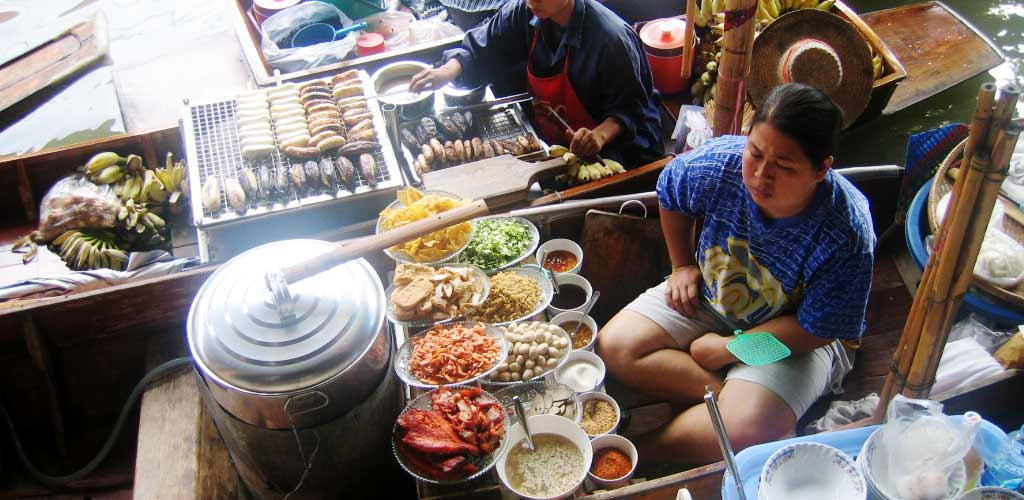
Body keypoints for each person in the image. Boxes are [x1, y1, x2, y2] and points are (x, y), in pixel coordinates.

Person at [598, 83, 875, 464]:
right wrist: (681, 265)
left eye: (784, 166)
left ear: (822, 169)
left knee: (744, 427)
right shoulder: (719, 164)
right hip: (716, 295)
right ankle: (735, 395)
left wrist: (733, 348)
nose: (761, 175)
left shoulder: (846, 232)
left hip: (795, 337)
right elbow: (672, 192)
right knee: (613, 347)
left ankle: (641, 455)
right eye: (755, 153)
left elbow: (818, 330)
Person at [408, 0, 663, 168]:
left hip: (619, 149)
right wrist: (445, 72)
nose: (532, 1)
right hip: (559, 136)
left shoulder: (610, 39)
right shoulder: (528, 10)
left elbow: (631, 108)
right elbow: (486, 45)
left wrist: (598, 135)